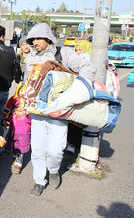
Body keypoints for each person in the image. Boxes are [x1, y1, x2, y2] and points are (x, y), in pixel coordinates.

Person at [24, 23, 96, 197]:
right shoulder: (29, 57)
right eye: (32, 38)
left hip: (58, 111)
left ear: (48, 38)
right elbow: (28, 82)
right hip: (37, 112)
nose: (35, 42)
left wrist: (79, 92)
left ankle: (54, 170)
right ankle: (39, 181)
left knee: (55, 150)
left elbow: (89, 68)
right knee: (38, 149)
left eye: (38, 38)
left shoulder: (64, 53)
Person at [2, 84, 31, 174]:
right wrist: (5, 120)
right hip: (14, 135)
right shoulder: (14, 114)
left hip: (23, 137)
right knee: (14, 148)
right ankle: (15, 157)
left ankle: (18, 164)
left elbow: (31, 119)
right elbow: (8, 113)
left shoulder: (27, 116)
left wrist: (27, 113)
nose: (18, 113)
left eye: (20, 111)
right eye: (17, 111)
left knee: (20, 151)